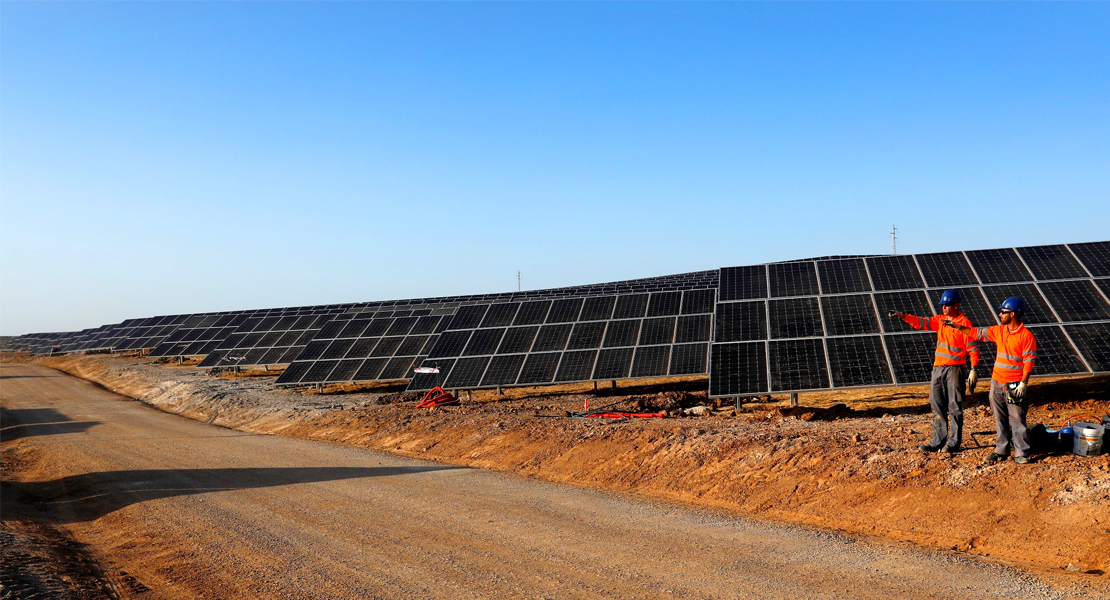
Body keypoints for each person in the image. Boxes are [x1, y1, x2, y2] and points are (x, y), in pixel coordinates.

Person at [943, 297, 1037, 464]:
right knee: (999, 419)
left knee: (1017, 419)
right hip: (996, 383)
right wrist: (957, 326)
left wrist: (1023, 383)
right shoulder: (999, 331)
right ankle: (1001, 450)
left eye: (1003, 312)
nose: (1000, 314)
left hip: (1014, 384)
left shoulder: (1026, 336)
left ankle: (1022, 453)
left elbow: (1029, 361)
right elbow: (976, 333)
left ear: (1013, 314)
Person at [888, 289, 980, 453]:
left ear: (956, 305)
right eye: (942, 305)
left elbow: (973, 348)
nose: (944, 307)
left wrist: (973, 369)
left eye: (947, 305)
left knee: (955, 406)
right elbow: (920, 322)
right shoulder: (940, 320)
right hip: (938, 369)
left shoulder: (964, 324)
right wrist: (903, 316)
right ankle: (937, 440)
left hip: (955, 369)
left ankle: (953, 442)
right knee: (936, 404)